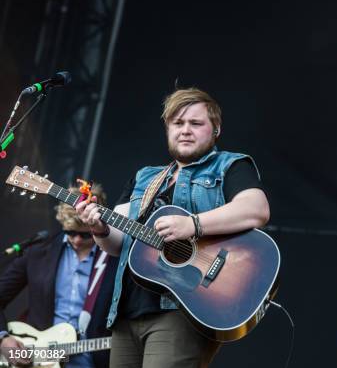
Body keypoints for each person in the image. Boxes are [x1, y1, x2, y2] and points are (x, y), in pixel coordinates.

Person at [76, 87, 270, 368]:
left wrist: (192, 224)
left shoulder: (229, 165)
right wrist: (98, 229)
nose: (185, 130)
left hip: (182, 309)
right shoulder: (145, 177)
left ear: (215, 129)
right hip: (126, 310)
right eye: (177, 124)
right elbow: (117, 243)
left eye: (196, 123)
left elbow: (256, 208)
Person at [0, 184, 117, 368]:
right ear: (62, 223)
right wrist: (3, 339)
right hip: (38, 356)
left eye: (85, 235)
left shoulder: (113, 259)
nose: (77, 240)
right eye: (70, 232)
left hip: (91, 358)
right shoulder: (38, 252)